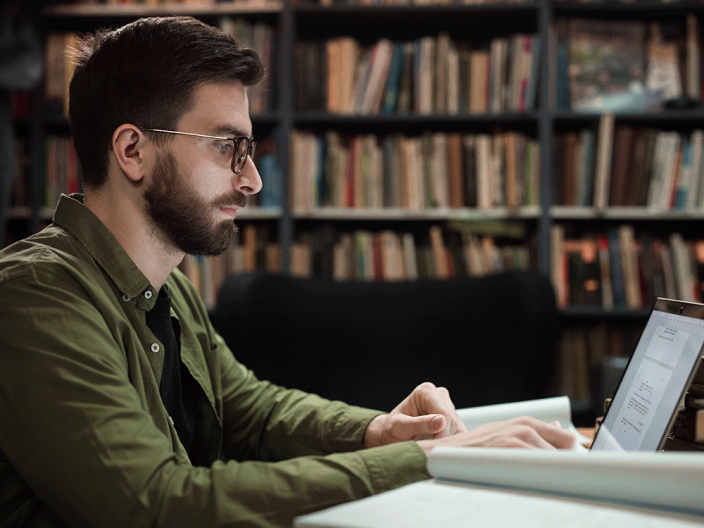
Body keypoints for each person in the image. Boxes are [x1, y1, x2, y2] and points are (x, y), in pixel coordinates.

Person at [0, 16, 576, 528]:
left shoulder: (166, 286)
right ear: (132, 151)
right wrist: (430, 458)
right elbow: (156, 504)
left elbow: (250, 413)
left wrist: (378, 431)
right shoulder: (32, 299)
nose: (250, 180)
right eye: (227, 146)